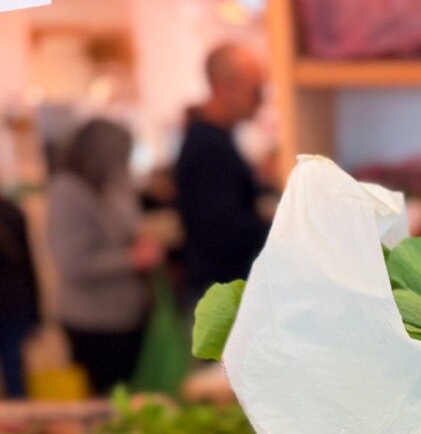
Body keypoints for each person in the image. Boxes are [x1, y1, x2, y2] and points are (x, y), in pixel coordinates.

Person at [47, 119, 162, 394]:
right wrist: (131, 259)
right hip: (93, 320)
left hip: (128, 313)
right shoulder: (68, 190)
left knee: (133, 393)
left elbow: (128, 227)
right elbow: (71, 262)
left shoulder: (113, 185)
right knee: (108, 398)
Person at [175, 43, 269, 308]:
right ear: (224, 87)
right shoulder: (208, 145)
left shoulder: (212, 137)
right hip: (218, 291)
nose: (260, 101)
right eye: (255, 91)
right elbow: (223, 229)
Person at [0, 194, 39, 397]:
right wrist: (35, 312)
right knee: (14, 369)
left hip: (13, 304)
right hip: (16, 302)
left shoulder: (11, 212)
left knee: (14, 367)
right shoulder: (11, 211)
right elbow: (28, 266)